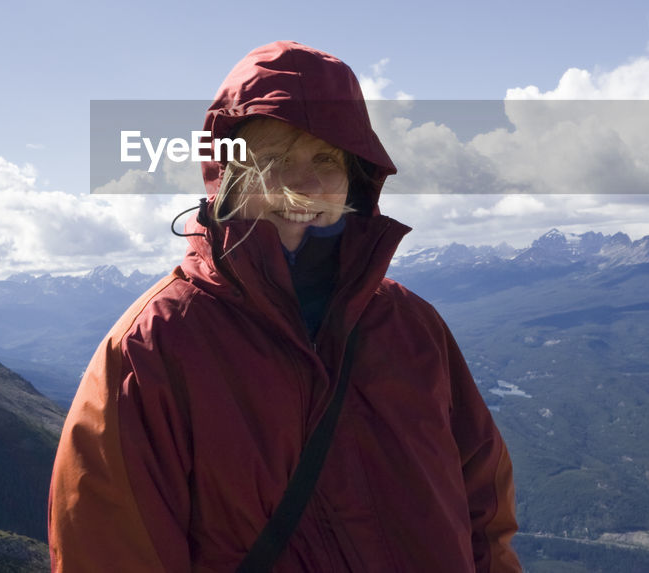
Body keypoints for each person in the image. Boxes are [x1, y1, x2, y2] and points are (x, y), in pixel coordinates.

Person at [48, 41, 521, 572]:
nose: (303, 186)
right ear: (225, 178)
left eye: (325, 159)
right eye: (271, 160)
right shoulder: (153, 348)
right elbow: (110, 550)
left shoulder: (411, 326)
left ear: (356, 180)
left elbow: (485, 513)